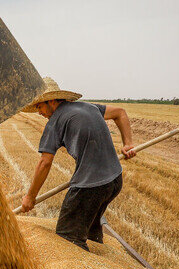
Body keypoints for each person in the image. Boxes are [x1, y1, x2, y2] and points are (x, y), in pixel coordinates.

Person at [20, 77, 135, 251]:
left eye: (39, 106)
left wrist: (30, 197)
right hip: (115, 181)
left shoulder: (54, 123)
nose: (39, 112)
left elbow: (44, 163)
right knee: (90, 229)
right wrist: (128, 143)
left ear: (51, 100)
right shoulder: (88, 107)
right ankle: (101, 258)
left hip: (91, 186)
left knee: (68, 237)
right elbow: (120, 112)